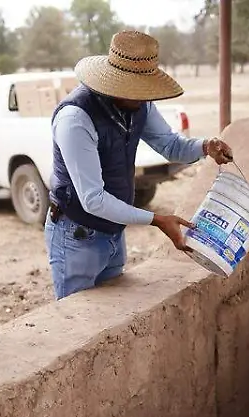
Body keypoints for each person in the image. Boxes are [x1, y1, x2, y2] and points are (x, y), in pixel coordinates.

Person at [47, 30, 234, 300]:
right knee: (77, 317)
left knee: (109, 316)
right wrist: (157, 220)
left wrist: (206, 147)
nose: (142, 97)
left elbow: (170, 145)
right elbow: (93, 200)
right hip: (77, 235)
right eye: (134, 90)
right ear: (113, 82)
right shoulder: (76, 118)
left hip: (112, 231)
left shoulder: (138, 105)